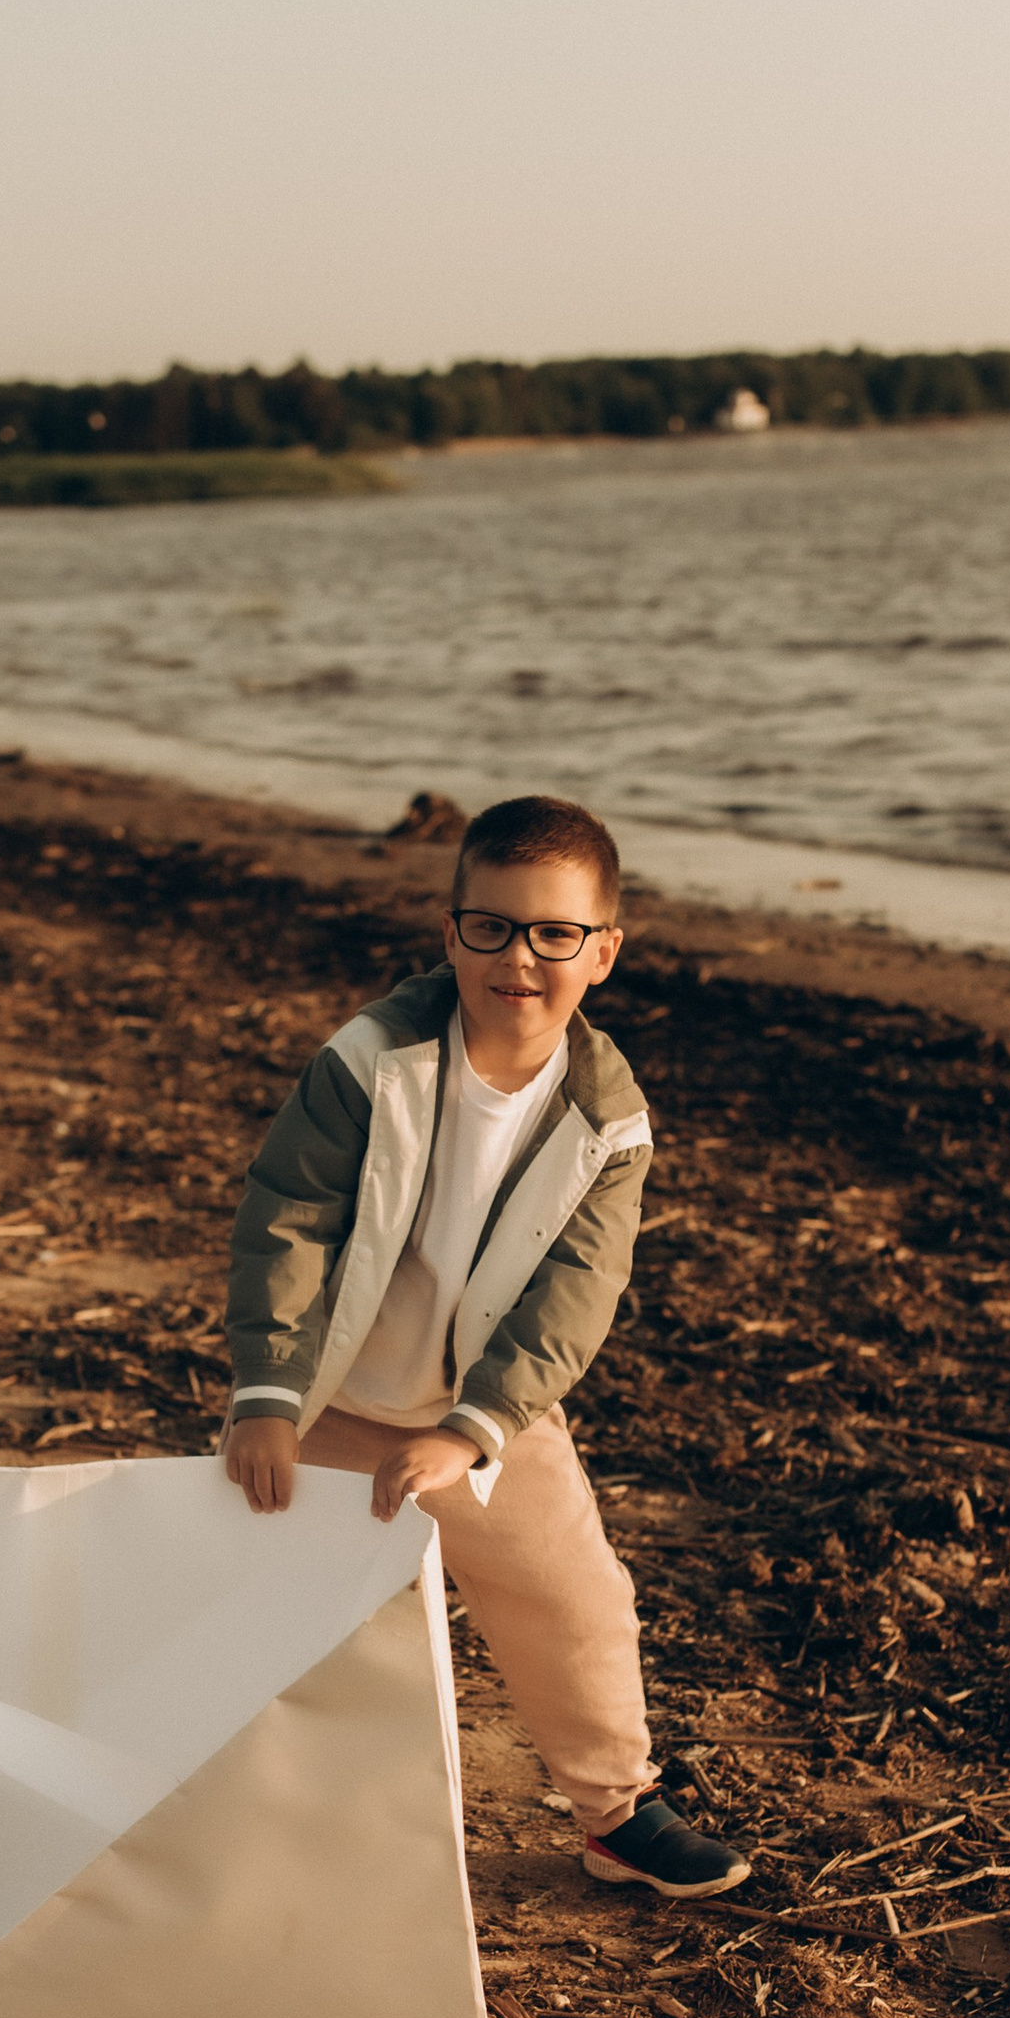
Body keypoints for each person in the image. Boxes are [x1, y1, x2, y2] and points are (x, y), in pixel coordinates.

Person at [223, 791, 751, 1901]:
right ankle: (224, 1801)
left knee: (576, 1600)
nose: (520, 958)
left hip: (481, 1414)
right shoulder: (373, 1060)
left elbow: (577, 1293)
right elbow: (289, 1216)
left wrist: (476, 1429)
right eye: (492, 927)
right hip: (328, 1401)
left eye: (554, 934)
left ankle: (616, 1813)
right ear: (450, 930)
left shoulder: (608, 1118)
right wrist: (268, 1393)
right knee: (251, 1601)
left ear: (602, 951)